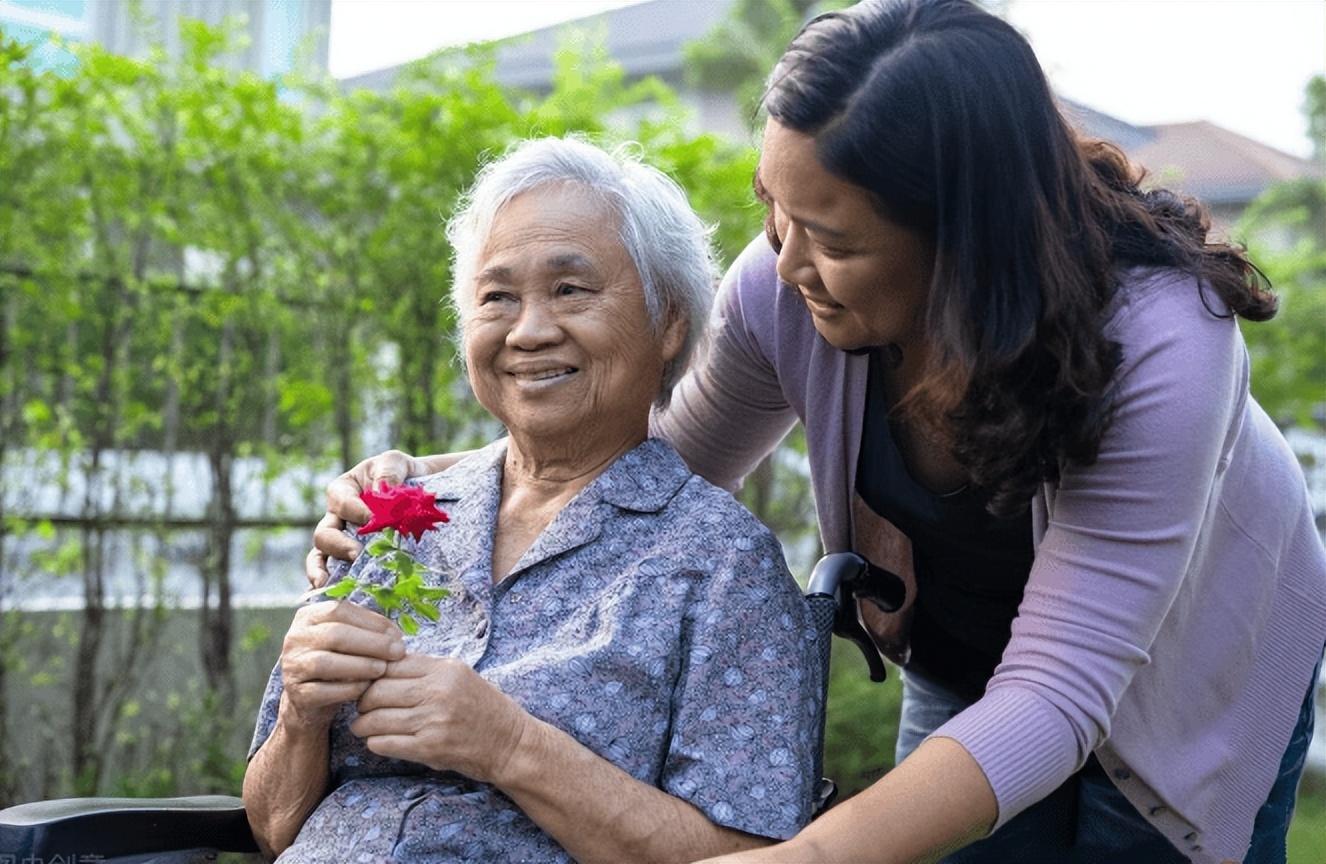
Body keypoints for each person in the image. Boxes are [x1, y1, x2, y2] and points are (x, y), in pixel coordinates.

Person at [312, 2, 1326, 862]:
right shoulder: (785, 287)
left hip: (1191, 670)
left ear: (960, 240)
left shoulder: (1162, 343)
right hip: (972, 660)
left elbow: (1060, 695)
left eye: (833, 238)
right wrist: (427, 497)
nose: (788, 262)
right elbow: (654, 461)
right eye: (773, 211)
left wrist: (796, 859)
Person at [243, 136, 824, 863]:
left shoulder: (723, 565)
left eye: (570, 290)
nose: (529, 331)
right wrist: (301, 714)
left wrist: (509, 744)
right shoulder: (390, 521)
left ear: (669, 322)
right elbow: (269, 829)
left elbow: (741, 853)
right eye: (497, 298)